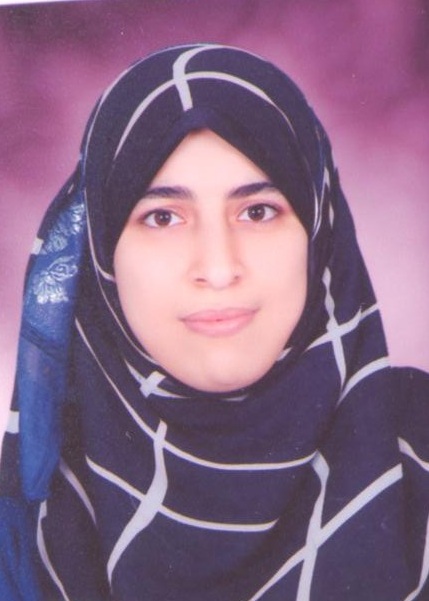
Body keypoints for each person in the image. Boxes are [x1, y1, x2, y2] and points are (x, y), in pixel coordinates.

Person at [0, 43, 428, 601]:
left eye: (257, 211)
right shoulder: (33, 530)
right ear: (101, 254)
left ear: (319, 231)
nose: (220, 268)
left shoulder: (418, 448)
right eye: (162, 217)